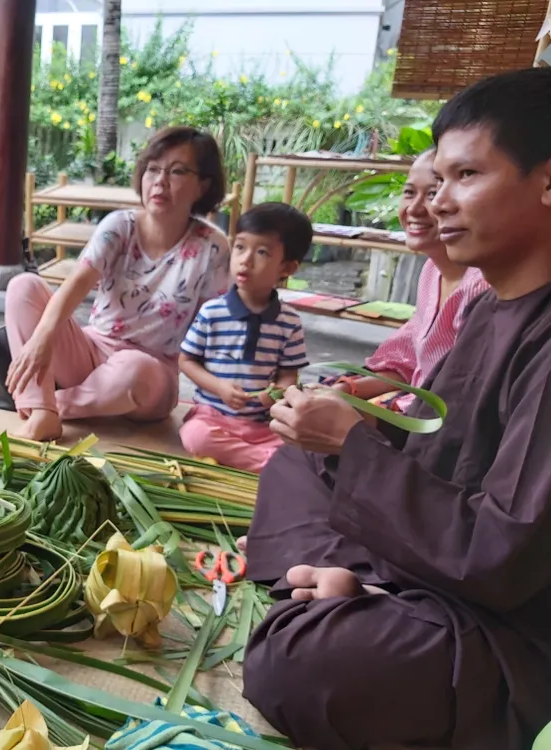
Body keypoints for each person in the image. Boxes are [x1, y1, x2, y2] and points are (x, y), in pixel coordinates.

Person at [239, 67, 551, 749]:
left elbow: (502, 555)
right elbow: (445, 451)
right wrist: (366, 426)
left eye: (465, 176)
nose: (438, 203)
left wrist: (356, 446)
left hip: (507, 627)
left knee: (299, 663)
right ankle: (350, 588)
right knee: (296, 462)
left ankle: (345, 593)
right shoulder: (490, 303)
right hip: (435, 560)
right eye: (436, 181)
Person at [5, 126, 231, 442]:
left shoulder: (214, 247)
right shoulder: (120, 226)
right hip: (92, 349)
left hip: (152, 374)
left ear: (203, 185)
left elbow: (215, 328)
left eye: (177, 171)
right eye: (153, 169)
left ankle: (55, 404)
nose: (160, 181)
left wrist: (224, 397)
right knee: (23, 286)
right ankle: (41, 414)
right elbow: (77, 284)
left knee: (133, 368)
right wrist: (42, 338)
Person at [328, 148, 489, 411]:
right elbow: (407, 360)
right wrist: (347, 389)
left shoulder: (481, 288)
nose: (415, 208)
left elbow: (455, 399)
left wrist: (361, 417)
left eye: (433, 194)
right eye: (409, 192)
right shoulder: (430, 271)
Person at [178, 203, 311, 473]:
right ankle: (265, 465)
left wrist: (275, 394)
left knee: (300, 444)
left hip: (262, 425)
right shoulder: (212, 312)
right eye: (240, 247)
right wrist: (219, 388)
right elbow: (186, 361)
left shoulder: (289, 322)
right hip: (213, 417)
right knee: (196, 435)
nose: (245, 260)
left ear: (287, 267)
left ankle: (257, 459)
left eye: (262, 252)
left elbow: (288, 375)